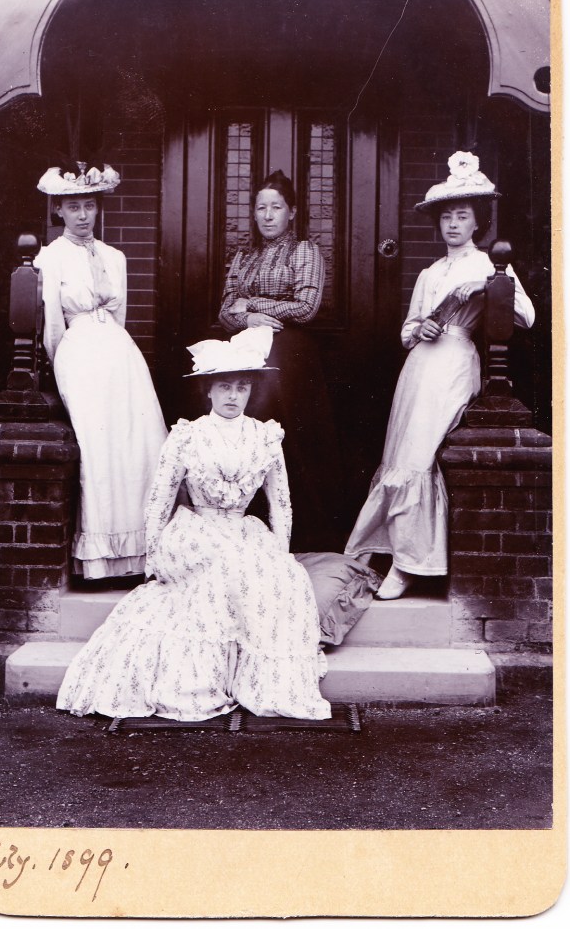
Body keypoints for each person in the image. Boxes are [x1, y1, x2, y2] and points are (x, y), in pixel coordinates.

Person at [56, 326, 331, 721]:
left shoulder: (266, 437)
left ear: (252, 391)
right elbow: (159, 500)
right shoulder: (188, 436)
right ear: (208, 391)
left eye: (242, 387)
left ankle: (249, 678)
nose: (234, 396)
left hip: (242, 529)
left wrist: (279, 552)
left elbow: (281, 503)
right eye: (225, 387)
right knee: (217, 576)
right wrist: (153, 556)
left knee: (278, 579)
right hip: (196, 532)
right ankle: (199, 679)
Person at [345, 151, 536, 600]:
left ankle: (412, 565)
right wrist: (420, 328)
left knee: (418, 456)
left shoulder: (488, 264)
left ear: (477, 223)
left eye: (462, 216)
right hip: (419, 367)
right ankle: (387, 550)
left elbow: (526, 315)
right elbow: (407, 332)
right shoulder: (430, 272)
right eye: (446, 217)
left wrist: (491, 287)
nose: (452, 224)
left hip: (453, 362)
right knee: (398, 455)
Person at [35, 159, 168, 579]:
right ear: (59, 210)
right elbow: (53, 327)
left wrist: (113, 347)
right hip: (78, 351)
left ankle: (141, 554)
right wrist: (63, 368)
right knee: (99, 447)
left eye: (89, 206)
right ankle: (99, 559)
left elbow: (120, 315)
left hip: (118, 351)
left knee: (141, 439)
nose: (82, 216)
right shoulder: (50, 257)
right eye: (73, 207)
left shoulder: (115, 257)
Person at [218, 169, 343, 552]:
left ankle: (297, 532)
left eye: (276, 207)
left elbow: (305, 308)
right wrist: (248, 318)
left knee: (279, 421)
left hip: (291, 352)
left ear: (291, 212)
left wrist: (252, 304)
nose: (268, 215)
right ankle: (241, 524)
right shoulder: (244, 255)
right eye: (261, 208)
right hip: (247, 346)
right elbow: (225, 310)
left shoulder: (304, 251)